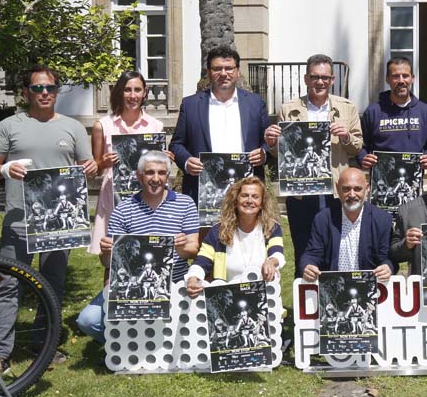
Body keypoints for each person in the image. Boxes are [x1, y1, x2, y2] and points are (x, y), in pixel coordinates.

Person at [0, 65, 97, 373]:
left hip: (59, 224)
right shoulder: (9, 125)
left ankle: (43, 344)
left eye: (50, 88)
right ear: (26, 92)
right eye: (37, 88)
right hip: (19, 222)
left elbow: (87, 165)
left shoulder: (73, 128)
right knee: (10, 284)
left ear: (57, 91)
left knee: (52, 284)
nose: (44, 93)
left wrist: (91, 167)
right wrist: (5, 169)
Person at [76, 151, 200, 343]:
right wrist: (107, 252)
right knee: (87, 320)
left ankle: (149, 341)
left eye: (161, 173)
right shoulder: (123, 210)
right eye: (150, 172)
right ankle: (124, 344)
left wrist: (180, 248)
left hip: (175, 282)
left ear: (168, 176)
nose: (156, 178)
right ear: (139, 176)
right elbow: (107, 263)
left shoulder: (185, 204)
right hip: (132, 284)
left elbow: (193, 249)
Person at [263, 54, 363, 277]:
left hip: (335, 189)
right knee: (304, 247)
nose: (320, 82)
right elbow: (280, 153)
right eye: (315, 77)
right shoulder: (288, 109)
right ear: (306, 78)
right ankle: (305, 295)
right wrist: (271, 143)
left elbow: (357, 147)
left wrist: (346, 137)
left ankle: (334, 290)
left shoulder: (347, 108)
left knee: (335, 246)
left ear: (332, 80)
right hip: (301, 191)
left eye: (325, 78)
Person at [169, 45, 270, 200]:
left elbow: (269, 143)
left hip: (246, 193)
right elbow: (176, 145)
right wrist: (187, 162)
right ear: (209, 72)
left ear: (237, 71)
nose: (223, 73)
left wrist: (264, 154)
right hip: (205, 192)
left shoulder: (255, 103)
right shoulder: (190, 105)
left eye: (229, 68)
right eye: (217, 69)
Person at [89, 70, 169, 255]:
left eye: (137, 90)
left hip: (147, 197)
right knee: (111, 253)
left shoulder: (156, 126)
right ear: (119, 92)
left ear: (145, 92)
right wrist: (102, 163)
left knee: (147, 249)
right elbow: (95, 170)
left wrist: (166, 159)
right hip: (114, 196)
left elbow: (158, 166)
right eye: (127, 90)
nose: (133, 96)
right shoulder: (103, 126)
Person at [185, 177, 285, 293]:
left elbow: (277, 253)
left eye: (255, 197)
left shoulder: (272, 227)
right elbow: (201, 261)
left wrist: (271, 262)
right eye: (244, 195)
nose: (249, 200)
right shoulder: (217, 231)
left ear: (262, 203)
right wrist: (192, 278)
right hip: (228, 295)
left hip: (264, 295)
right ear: (235, 200)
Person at [299, 167, 395, 282]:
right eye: (346, 189)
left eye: (357, 189)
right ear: (337, 188)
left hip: (368, 285)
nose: (352, 194)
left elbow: (387, 257)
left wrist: (387, 267)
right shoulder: (323, 219)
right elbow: (312, 254)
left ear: (367, 188)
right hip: (333, 285)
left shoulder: (382, 220)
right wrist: (307, 266)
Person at [358, 57, 427, 170]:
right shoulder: (373, 111)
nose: (401, 81)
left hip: (414, 175)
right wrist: (363, 158)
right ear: (387, 79)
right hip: (381, 176)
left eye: (405, 76)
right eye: (395, 76)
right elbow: (360, 144)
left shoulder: (425, 111)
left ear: (412, 78)